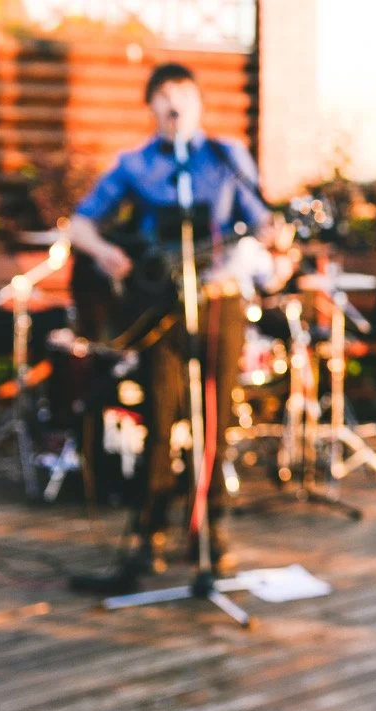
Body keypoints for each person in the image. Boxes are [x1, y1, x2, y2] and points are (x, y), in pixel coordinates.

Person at [67, 63, 276, 594]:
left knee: (217, 419)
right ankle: (148, 534)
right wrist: (107, 252)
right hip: (158, 312)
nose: (173, 103)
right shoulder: (134, 164)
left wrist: (268, 241)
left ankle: (212, 530)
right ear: (152, 106)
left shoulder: (226, 158)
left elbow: (265, 223)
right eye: (162, 95)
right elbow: (81, 221)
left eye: (182, 93)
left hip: (216, 304)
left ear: (199, 103)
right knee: (160, 420)